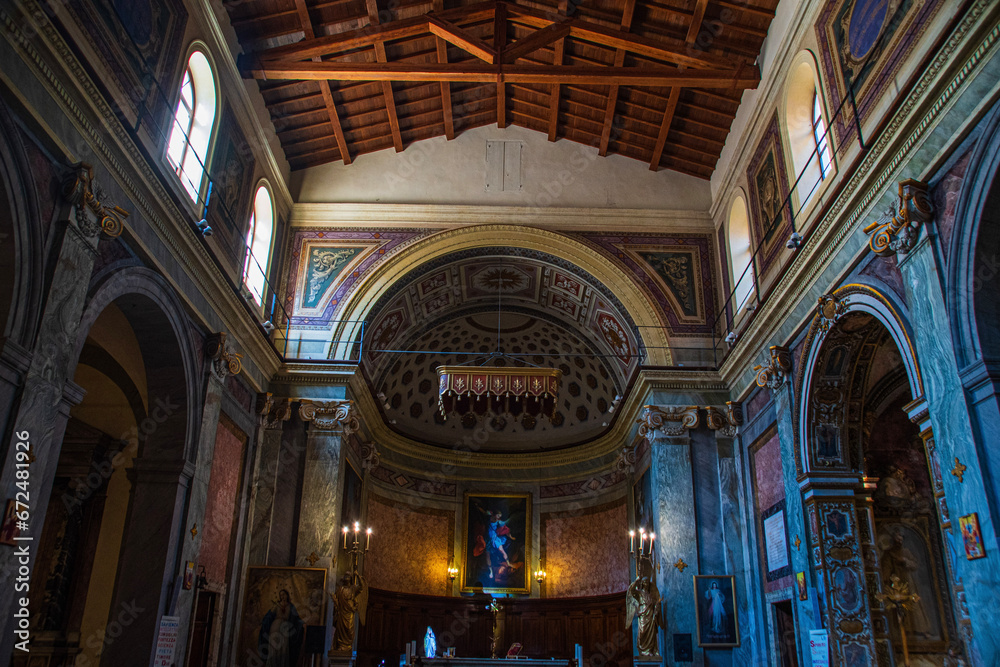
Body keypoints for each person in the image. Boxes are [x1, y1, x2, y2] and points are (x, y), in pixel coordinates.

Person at [258, 589, 304, 667]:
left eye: (284, 594)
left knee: (284, 647)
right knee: (274, 646)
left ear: (287, 595)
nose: (282, 596)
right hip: (275, 626)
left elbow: (296, 618)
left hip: (285, 629)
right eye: (281, 595)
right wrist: (264, 621)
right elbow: (269, 615)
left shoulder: (290, 606)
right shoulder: (276, 605)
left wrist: (301, 623)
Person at [625, 568, 662, 656]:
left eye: (647, 582)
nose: (646, 583)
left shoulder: (650, 595)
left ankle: (650, 650)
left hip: (650, 615)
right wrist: (637, 580)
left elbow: (655, 603)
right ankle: (643, 650)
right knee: (642, 632)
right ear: (642, 583)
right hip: (642, 615)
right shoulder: (639, 593)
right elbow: (632, 591)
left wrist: (657, 606)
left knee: (651, 633)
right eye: (644, 582)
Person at [332, 571, 369, 652]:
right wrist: (335, 601)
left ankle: (347, 646)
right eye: (345, 576)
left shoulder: (353, 589)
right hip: (342, 614)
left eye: (348, 576)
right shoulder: (340, 589)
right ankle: (340, 646)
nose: (346, 578)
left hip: (349, 614)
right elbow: (337, 603)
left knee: (349, 630)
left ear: (351, 579)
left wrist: (358, 576)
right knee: (340, 631)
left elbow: (362, 587)